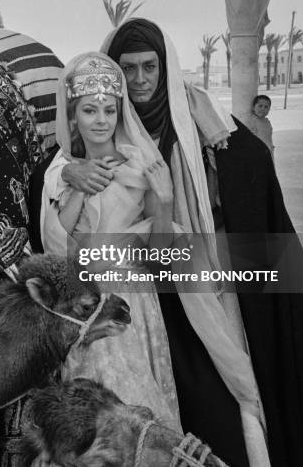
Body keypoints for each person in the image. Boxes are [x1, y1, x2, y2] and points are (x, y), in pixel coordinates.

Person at [36, 18, 303, 467]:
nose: (141, 80)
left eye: (151, 67)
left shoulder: (195, 117)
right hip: (132, 301)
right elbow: (55, 188)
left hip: (189, 280)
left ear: (165, 67)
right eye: (129, 69)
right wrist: (69, 174)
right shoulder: (97, 131)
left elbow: (247, 171)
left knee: (214, 392)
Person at [40, 51, 182, 430]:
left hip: (133, 301)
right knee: (93, 420)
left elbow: (160, 257)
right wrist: (79, 187)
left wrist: (165, 200)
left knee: (137, 412)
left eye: (108, 110)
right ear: (73, 116)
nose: (101, 120)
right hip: (83, 303)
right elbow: (58, 249)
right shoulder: (59, 172)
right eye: (89, 111)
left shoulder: (144, 167)